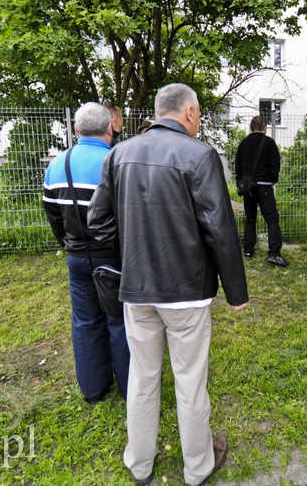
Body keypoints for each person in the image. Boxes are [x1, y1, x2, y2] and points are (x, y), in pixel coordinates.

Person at [88, 83, 249, 485]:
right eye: (199, 114)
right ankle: (197, 468)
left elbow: (98, 222)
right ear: (190, 112)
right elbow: (220, 229)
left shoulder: (119, 154)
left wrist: (133, 248)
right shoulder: (199, 155)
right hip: (186, 293)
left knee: (142, 377)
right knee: (190, 379)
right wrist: (236, 293)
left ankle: (139, 464)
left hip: (137, 290)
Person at [42, 102, 130, 402]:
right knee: (120, 321)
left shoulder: (57, 164)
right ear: (110, 127)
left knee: (85, 320)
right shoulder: (118, 161)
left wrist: (67, 244)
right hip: (114, 257)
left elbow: (52, 214)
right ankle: (131, 388)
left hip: (77, 256)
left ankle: (93, 389)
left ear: (76, 130)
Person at [234, 115, 288, 266]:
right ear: (264, 126)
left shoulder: (243, 143)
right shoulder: (269, 143)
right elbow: (275, 166)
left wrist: (242, 183)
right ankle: (274, 253)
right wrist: (272, 180)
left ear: (251, 127)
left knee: (250, 219)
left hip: (249, 188)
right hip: (265, 186)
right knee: (271, 219)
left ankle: (248, 251)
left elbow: (237, 167)